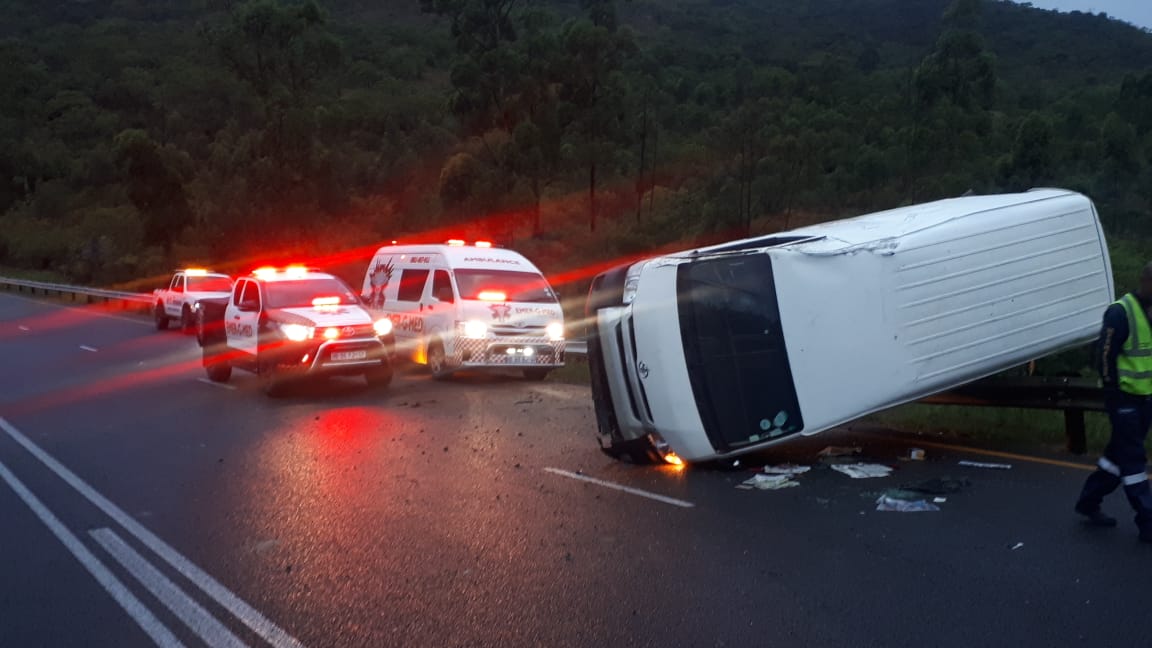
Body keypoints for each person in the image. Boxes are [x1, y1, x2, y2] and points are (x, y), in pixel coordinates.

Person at [1074, 261, 1152, 542]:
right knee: (1133, 459)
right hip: (1124, 399)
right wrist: (1114, 394)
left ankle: (1088, 501)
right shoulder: (1121, 312)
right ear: (1146, 281)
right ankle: (1147, 520)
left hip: (1145, 398)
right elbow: (1104, 357)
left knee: (1116, 457)